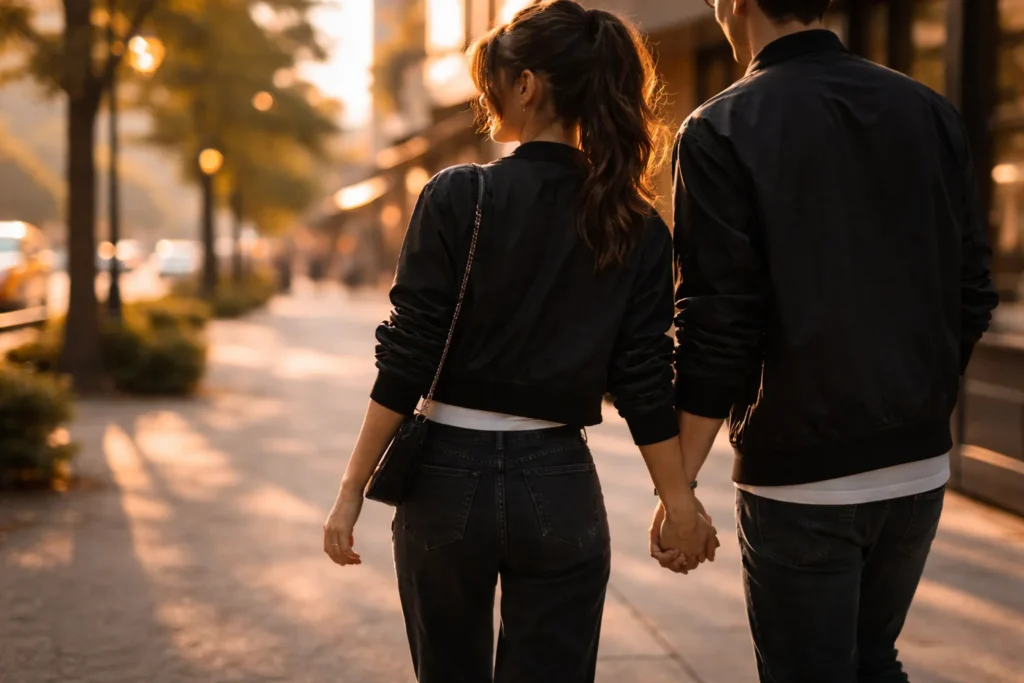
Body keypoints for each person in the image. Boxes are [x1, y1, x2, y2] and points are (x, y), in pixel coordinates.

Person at [322, 2, 717, 682]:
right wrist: (677, 499)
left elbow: (407, 353)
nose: (485, 98)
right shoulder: (636, 225)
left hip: (443, 480)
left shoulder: (456, 195)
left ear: (528, 85)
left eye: (493, 81)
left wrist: (353, 486)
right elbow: (644, 378)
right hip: (558, 482)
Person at [653, 1, 1001, 681]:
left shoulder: (718, 127)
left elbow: (719, 325)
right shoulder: (927, 109)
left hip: (802, 479)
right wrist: (919, 395)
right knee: (874, 660)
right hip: (918, 465)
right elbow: (974, 289)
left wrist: (679, 487)